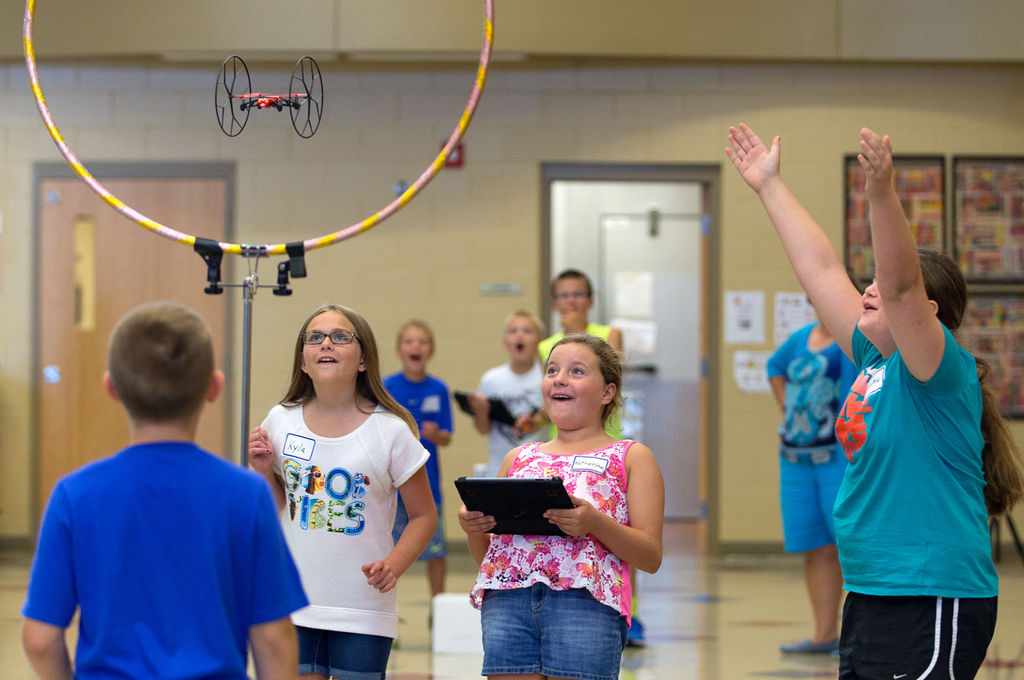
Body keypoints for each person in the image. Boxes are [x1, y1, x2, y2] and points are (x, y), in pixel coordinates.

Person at [728, 123, 1024, 678]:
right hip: (870, 586)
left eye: (880, 289)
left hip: (931, 590)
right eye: (868, 283)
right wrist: (769, 186)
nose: (868, 289)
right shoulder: (874, 361)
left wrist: (882, 192)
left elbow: (902, 286)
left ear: (927, 316)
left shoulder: (938, 373)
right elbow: (819, 269)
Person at [22, 302, 308, 680]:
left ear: (112, 387)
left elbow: (40, 639)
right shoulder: (246, 495)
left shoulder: (75, 495)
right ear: (214, 387)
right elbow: (274, 639)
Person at [459, 334, 665, 680]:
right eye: (552, 370)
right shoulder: (519, 457)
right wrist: (474, 527)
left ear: (607, 392)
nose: (560, 378)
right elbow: (489, 557)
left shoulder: (631, 457)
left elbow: (650, 556)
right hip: (507, 602)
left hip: (585, 605)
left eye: (577, 371)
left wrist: (594, 522)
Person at [249, 304, 436, 680]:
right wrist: (262, 472)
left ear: (364, 359)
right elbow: (279, 510)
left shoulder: (390, 430)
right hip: (294, 601)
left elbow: (424, 516)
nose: (326, 344)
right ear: (303, 361)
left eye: (340, 336)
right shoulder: (281, 419)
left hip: (363, 607)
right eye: (314, 338)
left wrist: (394, 565)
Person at [767, 319, 856, 654]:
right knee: (815, 544)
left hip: (838, 455)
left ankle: (854, 635)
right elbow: (775, 366)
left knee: (847, 543)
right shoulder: (802, 337)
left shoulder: (852, 335)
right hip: (796, 457)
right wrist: (785, 407)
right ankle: (824, 634)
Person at [383, 319, 453, 600]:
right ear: (400, 350)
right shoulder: (386, 386)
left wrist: (437, 435)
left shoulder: (438, 389)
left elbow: (447, 437)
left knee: (436, 551)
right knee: (389, 550)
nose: (416, 346)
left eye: (422, 341)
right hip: (390, 484)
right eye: (409, 341)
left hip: (428, 483)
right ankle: (387, 609)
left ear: (431, 350)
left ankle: (438, 611)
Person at [467, 309, 546, 477]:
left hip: (539, 469)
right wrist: (481, 412)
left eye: (527, 331)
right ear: (505, 342)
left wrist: (540, 419)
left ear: (539, 341)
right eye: (513, 331)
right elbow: (482, 429)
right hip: (499, 469)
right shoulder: (491, 379)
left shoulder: (547, 377)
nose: (520, 336)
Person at [538, 269, 623, 360]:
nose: (571, 301)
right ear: (554, 303)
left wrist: (578, 330)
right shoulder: (543, 346)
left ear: (591, 301)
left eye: (577, 294)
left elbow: (609, 371)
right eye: (563, 295)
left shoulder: (612, 334)